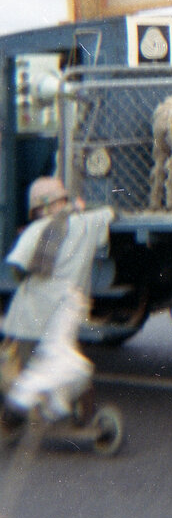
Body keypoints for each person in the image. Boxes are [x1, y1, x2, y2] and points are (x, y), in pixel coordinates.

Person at [1, 177, 114, 424]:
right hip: (65, 310)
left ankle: (24, 408)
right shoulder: (88, 223)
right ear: (64, 199)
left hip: (29, 317)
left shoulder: (35, 230)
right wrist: (81, 208)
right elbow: (109, 213)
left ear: (39, 207)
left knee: (31, 366)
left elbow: (17, 268)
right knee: (69, 365)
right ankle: (72, 414)